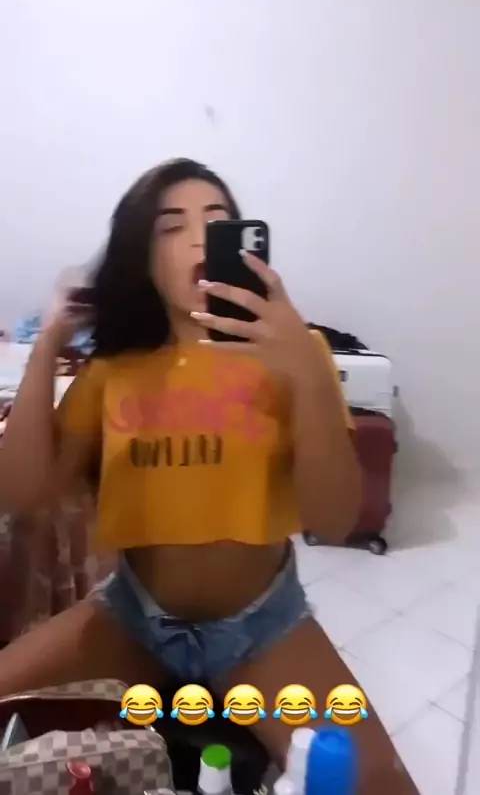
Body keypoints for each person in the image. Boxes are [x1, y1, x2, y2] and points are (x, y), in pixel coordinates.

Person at [0, 159, 417, 793]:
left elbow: (334, 521)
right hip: (132, 617)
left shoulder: (294, 356)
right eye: (172, 227)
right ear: (145, 259)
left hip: (261, 627)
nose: (198, 240)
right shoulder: (115, 371)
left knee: (381, 785)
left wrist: (308, 374)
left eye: (216, 222)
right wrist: (49, 339)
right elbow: (22, 491)